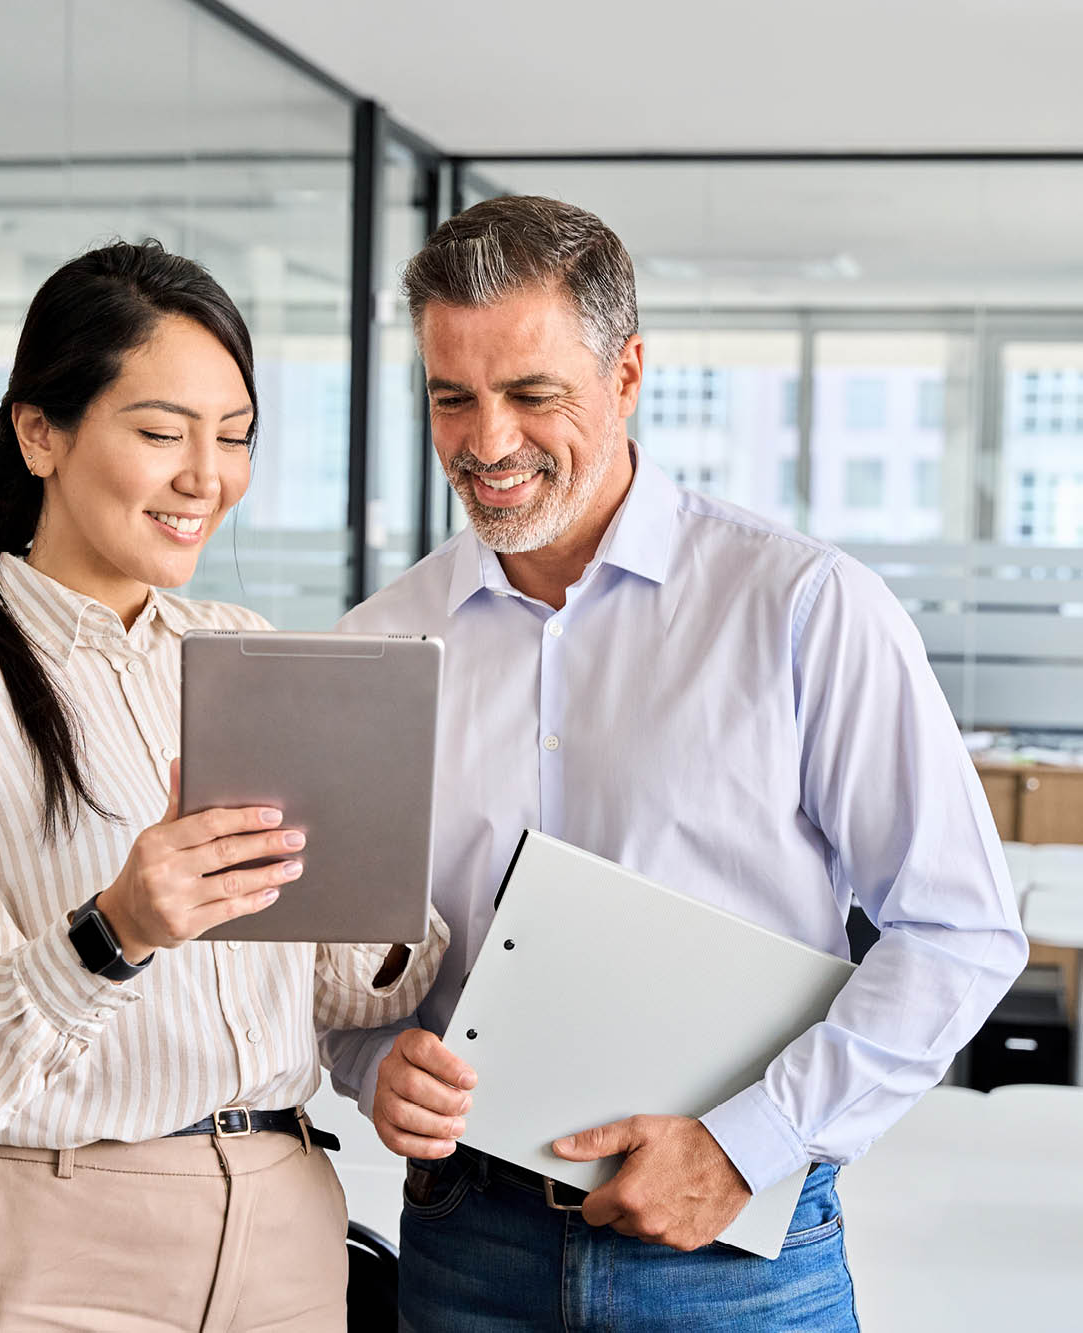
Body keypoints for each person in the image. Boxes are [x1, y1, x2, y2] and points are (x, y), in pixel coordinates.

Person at [322, 196, 1027, 1332]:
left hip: (738, 1251)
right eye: (452, 397)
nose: (487, 441)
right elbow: (338, 961)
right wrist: (367, 1060)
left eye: (532, 394)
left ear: (630, 370)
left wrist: (755, 1143)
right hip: (466, 1245)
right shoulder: (377, 647)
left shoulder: (801, 605)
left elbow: (958, 927)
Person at [0, 239, 447, 1333]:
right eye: (162, 433)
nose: (205, 477)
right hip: (55, 1240)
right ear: (40, 433)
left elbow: (355, 991)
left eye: (235, 437)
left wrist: (380, 888)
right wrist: (116, 928)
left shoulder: (246, 651)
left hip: (287, 1229)